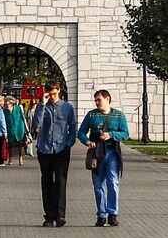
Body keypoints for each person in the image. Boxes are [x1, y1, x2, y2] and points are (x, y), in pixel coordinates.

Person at [78, 89, 130, 226]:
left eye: (99, 100)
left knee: (113, 182)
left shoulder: (118, 116)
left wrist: (112, 135)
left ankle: (112, 213)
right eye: (95, 100)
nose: (97, 103)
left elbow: (125, 133)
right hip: (97, 153)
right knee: (98, 185)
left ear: (108, 99)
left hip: (112, 152)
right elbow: (81, 132)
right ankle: (101, 214)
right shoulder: (92, 115)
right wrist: (87, 141)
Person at [30, 82, 76, 226]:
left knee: (61, 182)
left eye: (54, 94)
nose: (52, 97)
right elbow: (36, 125)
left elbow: (72, 127)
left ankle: (60, 215)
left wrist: (69, 143)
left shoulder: (67, 107)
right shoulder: (41, 107)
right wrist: (42, 105)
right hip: (45, 149)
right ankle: (49, 216)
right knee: (47, 182)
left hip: (61, 149)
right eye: (49, 94)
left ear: (59, 91)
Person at [6, 95, 29, 166]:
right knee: (10, 145)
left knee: (20, 145)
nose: (6, 106)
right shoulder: (4, 111)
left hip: (19, 129)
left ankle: (20, 159)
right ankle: (10, 159)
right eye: (5, 104)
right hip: (10, 130)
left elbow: (23, 118)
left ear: (12, 103)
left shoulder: (18, 109)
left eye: (8, 104)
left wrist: (26, 130)